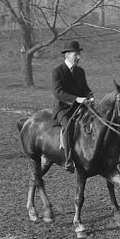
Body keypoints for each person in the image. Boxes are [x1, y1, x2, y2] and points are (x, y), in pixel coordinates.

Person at [46, 40, 93, 174]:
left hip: (80, 108)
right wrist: (76, 99)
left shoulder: (80, 71)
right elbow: (58, 92)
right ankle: (68, 159)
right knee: (68, 127)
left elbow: (85, 89)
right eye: (75, 54)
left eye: (79, 54)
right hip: (63, 109)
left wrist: (90, 96)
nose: (78, 57)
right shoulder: (58, 71)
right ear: (67, 55)